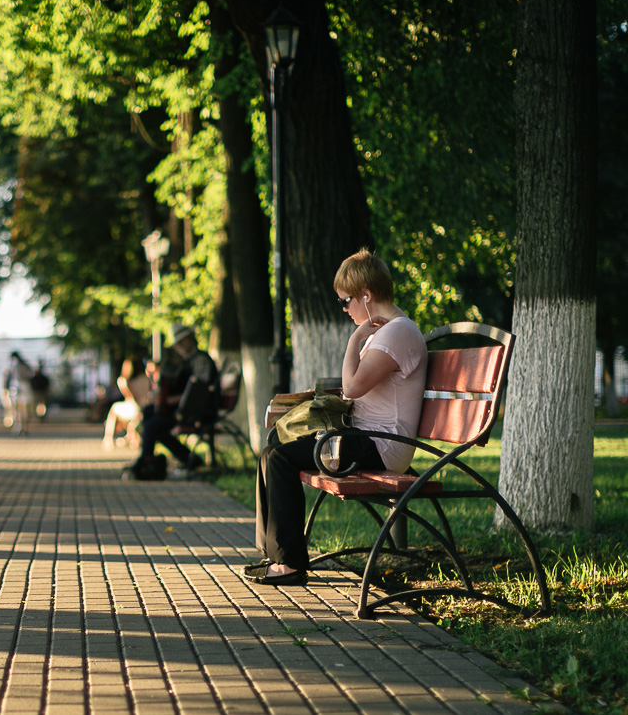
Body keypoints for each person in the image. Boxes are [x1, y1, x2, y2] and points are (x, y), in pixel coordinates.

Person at [247, 248, 427, 586]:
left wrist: (354, 340)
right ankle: (275, 554)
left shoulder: (397, 332)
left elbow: (354, 386)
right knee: (274, 445)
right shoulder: (388, 332)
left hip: (382, 445)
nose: (344, 309)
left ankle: (288, 563)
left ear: (366, 295)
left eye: (346, 301)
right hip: (365, 438)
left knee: (280, 457)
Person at [123, 324, 219, 481]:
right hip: (187, 409)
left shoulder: (200, 360)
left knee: (153, 425)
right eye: (177, 344)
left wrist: (170, 400)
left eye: (181, 342)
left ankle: (146, 461)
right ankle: (187, 459)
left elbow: (199, 394)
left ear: (189, 340)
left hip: (198, 412)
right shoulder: (188, 361)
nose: (179, 347)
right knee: (149, 413)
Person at [103, 357, 151, 449]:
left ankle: (109, 437)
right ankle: (131, 436)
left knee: (114, 408)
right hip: (145, 406)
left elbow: (131, 397)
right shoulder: (146, 379)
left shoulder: (123, 381)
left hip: (134, 407)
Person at [6, 351, 35, 436]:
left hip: (17, 388)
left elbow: (13, 377)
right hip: (25, 387)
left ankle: (20, 427)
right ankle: (25, 427)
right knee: (25, 410)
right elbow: (30, 374)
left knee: (18, 409)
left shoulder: (15, 366)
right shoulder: (25, 365)